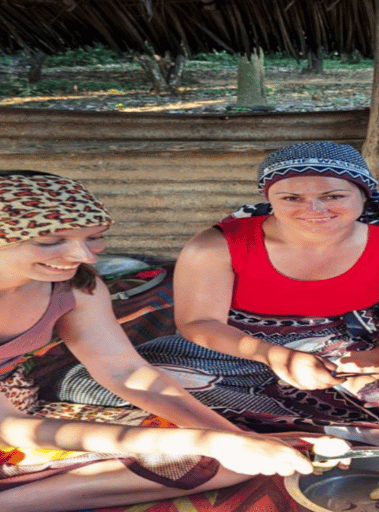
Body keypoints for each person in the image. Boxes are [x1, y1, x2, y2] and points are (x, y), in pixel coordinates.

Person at [55, 142, 379, 448]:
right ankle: (323, 417)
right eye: (291, 197)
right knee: (86, 383)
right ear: (268, 197)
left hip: (340, 347)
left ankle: (282, 415)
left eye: (333, 196)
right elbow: (199, 325)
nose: (315, 209)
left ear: (362, 194)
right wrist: (275, 357)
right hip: (228, 349)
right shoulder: (216, 245)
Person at [0, 170, 348, 512]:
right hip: (14, 426)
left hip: (22, 412)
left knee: (229, 463)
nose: (86, 256)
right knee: (203, 451)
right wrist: (205, 440)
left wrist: (236, 439)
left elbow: (123, 371)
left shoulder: (74, 286)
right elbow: (10, 427)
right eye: (50, 242)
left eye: (94, 238)